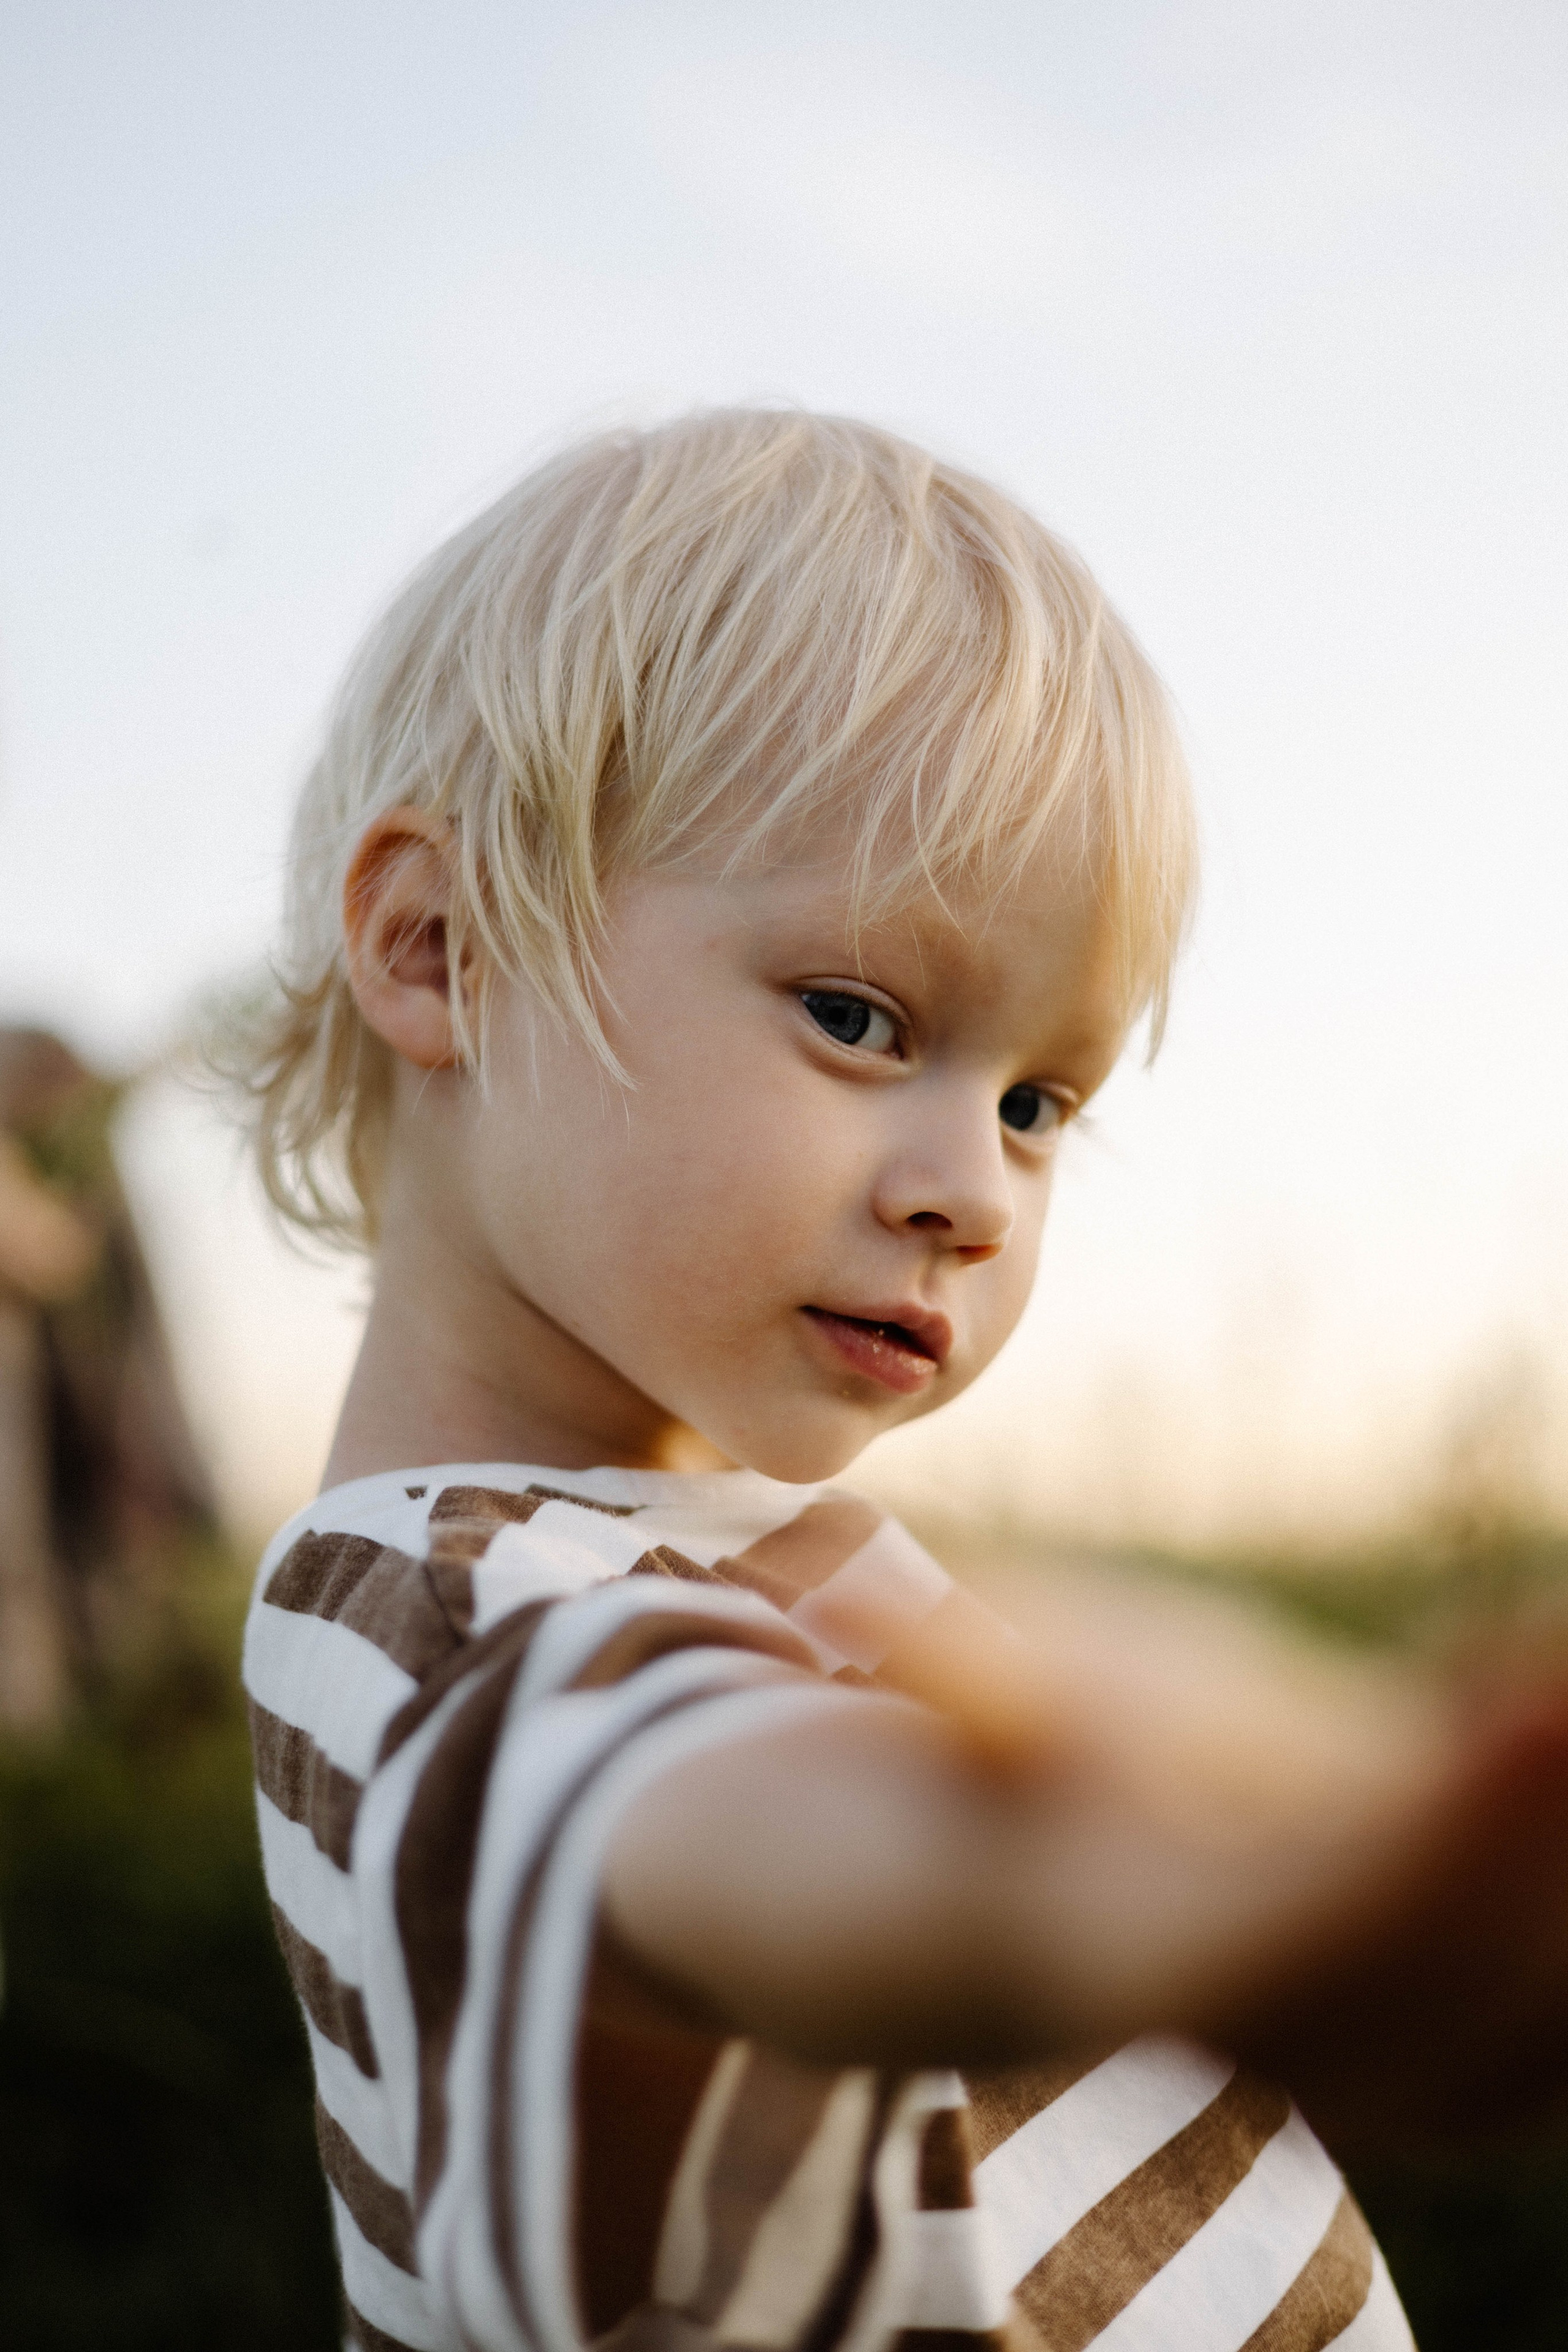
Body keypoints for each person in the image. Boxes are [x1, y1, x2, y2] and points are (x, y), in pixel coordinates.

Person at [230, 411, 1568, 2352]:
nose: (969, 1193)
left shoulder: (722, 1549)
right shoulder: (444, 1613)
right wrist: (1140, 1906)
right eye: (860, 1019)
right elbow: (738, 1852)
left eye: (1039, 1103)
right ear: (440, 949)